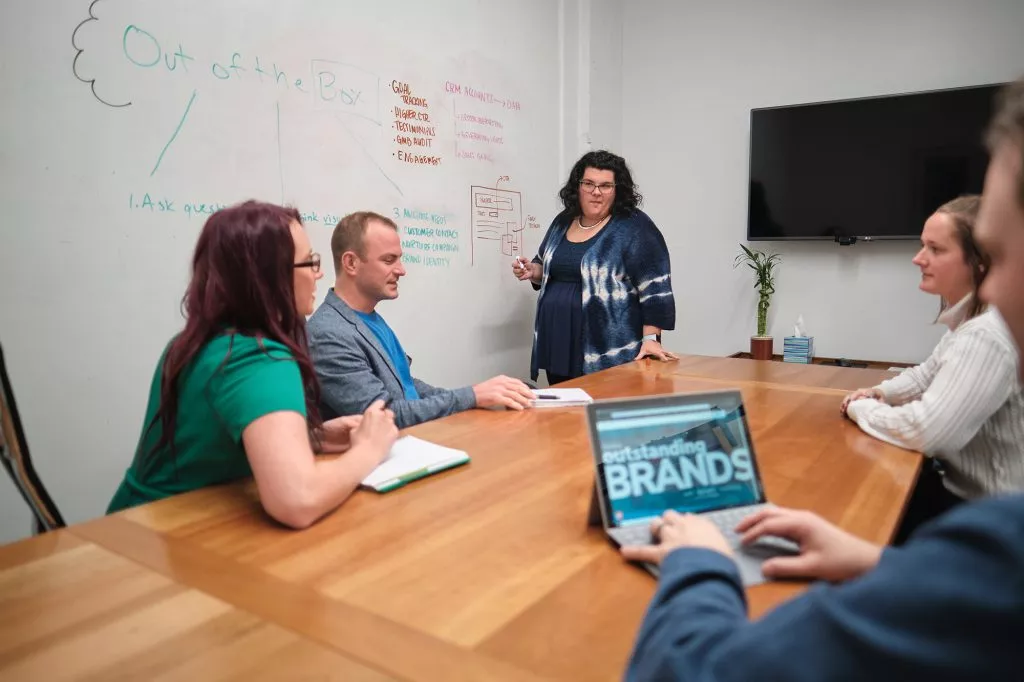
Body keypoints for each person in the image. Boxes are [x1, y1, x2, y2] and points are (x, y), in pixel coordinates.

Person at [620, 77, 1024, 681]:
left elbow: (698, 670)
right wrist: (874, 562)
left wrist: (702, 563)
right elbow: (922, 378)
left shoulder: (1000, 548)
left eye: (1001, 253)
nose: (991, 288)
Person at [108, 201, 399, 529]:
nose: (318, 273)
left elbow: (218, 442)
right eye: (309, 262)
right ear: (269, 278)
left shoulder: (196, 343)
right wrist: (368, 451)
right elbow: (297, 500)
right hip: (169, 537)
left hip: (129, 525)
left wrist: (314, 437)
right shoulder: (261, 358)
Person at [838, 195, 1024, 541]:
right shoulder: (973, 321)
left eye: (936, 249)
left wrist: (861, 407)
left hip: (993, 526)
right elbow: (927, 374)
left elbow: (928, 432)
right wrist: (881, 391)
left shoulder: (985, 335)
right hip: (969, 501)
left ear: (980, 261)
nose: (918, 258)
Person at [308, 211, 533, 428]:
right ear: (351, 263)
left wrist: (481, 395)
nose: (401, 270)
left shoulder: (369, 319)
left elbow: (406, 386)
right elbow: (383, 417)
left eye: (399, 259)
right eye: (389, 260)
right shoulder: (329, 334)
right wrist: (470, 397)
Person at [510, 150, 677, 385]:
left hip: (607, 347)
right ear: (578, 186)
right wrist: (533, 271)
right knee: (563, 411)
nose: (596, 192)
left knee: (599, 410)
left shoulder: (634, 227)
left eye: (606, 185)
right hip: (558, 341)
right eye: (588, 183)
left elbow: (655, 288)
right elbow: (545, 264)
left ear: (618, 189)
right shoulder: (563, 221)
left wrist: (651, 338)